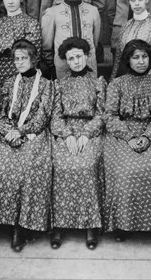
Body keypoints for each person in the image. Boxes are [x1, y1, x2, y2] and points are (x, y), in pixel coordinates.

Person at [0, 39, 53, 252]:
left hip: (34, 133)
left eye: (25, 58)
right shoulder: (8, 83)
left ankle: (24, 225)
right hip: (8, 133)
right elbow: (1, 113)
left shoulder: (47, 84)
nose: (20, 62)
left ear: (34, 59)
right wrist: (7, 131)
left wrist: (21, 131)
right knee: (2, 165)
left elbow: (43, 115)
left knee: (30, 167)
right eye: (17, 58)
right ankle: (6, 220)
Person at [103, 40, 151, 248]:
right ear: (128, 60)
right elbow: (110, 116)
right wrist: (130, 137)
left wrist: (147, 136)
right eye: (136, 57)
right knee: (125, 171)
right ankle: (123, 224)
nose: (141, 61)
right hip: (123, 134)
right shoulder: (117, 84)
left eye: (144, 57)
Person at [49, 37, 106, 250]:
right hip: (66, 132)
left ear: (86, 56)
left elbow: (102, 115)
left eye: (79, 56)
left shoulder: (98, 82)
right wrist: (67, 135)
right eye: (71, 58)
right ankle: (59, 224)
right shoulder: (60, 84)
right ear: (66, 61)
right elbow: (55, 116)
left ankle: (91, 225)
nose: (76, 61)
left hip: (90, 130)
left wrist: (86, 134)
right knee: (61, 165)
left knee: (87, 165)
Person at [41, 0, 101, 79]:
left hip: (89, 64)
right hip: (63, 66)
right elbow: (47, 46)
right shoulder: (52, 12)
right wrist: (55, 63)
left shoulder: (93, 11)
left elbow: (95, 41)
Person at [0, 0, 42, 87]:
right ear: (2, 0)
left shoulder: (30, 23)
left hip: (21, 76)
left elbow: (33, 55)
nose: (10, 1)